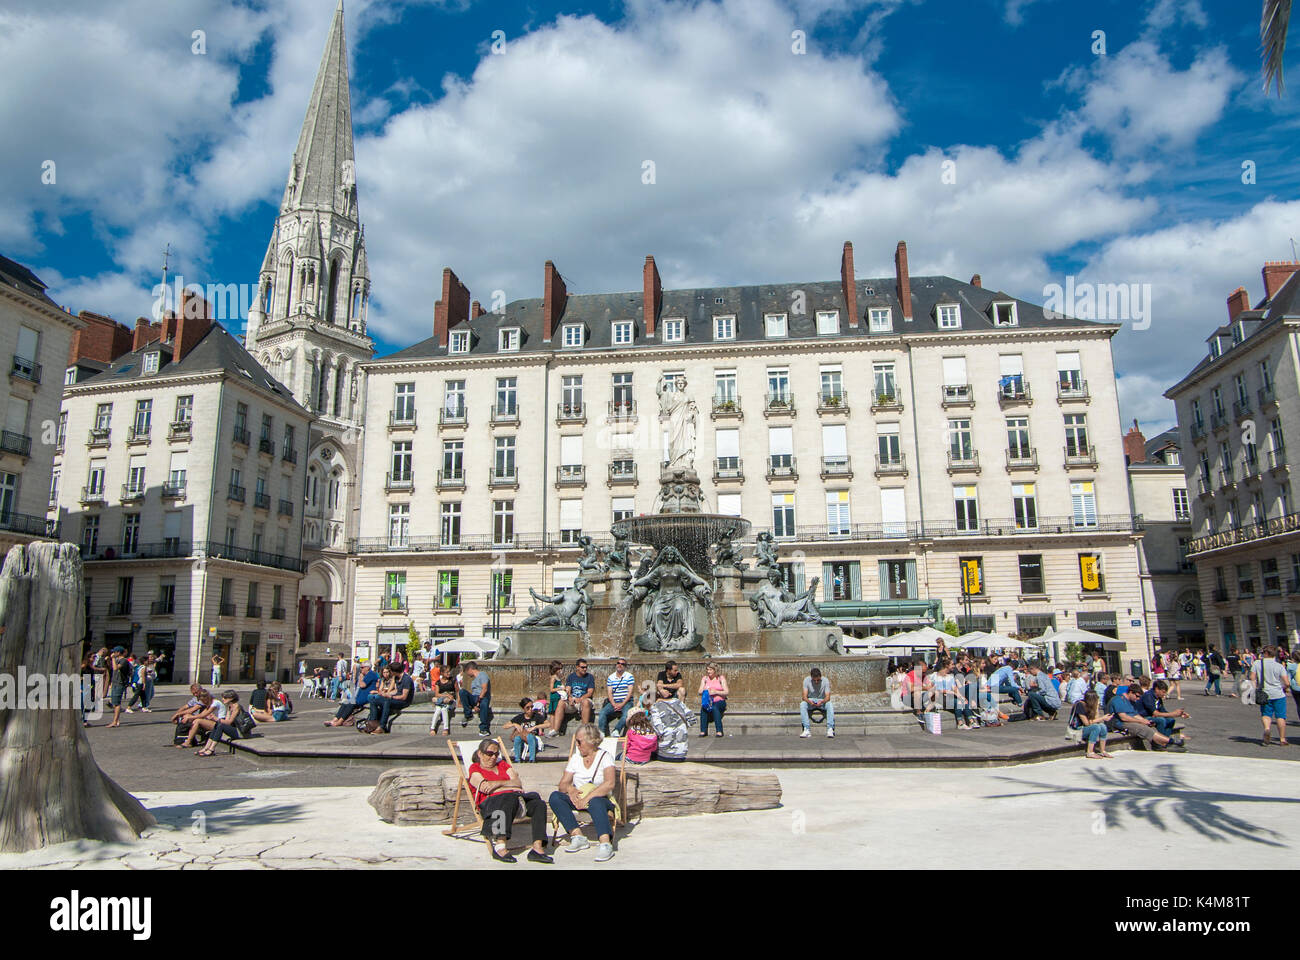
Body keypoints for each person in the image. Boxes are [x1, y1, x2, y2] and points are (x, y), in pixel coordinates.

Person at [467, 738, 552, 863]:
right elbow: (486, 788)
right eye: (490, 754)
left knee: (538, 804)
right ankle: (500, 846)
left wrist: (498, 784)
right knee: (508, 797)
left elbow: (518, 783)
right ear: (480, 753)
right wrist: (510, 786)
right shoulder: (475, 768)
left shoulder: (502, 764)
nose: (493, 757)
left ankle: (537, 848)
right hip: (491, 805)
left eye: (496, 754)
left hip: (515, 801)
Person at [549, 722, 618, 862]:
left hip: (600, 799)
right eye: (576, 742)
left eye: (579, 742)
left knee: (596, 801)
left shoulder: (605, 757)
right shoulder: (576, 758)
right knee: (555, 797)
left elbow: (609, 783)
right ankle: (577, 836)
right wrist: (571, 790)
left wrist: (587, 798)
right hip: (578, 798)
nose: (577, 745)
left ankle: (605, 843)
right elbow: (562, 784)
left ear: (591, 741)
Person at [1106, 685, 1186, 751]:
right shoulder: (1118, 700)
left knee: (1150, 727)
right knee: (1142, 728)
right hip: (1117, 724)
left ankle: (1160, 745)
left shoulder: (1129, 701)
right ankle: (1171, 742)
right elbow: (1123, 717)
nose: (1137, 699)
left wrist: (1145, 721)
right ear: (1130, 692)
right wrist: (1140, 722)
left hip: (1126, 722)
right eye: (1137, 696)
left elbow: (1134, 715)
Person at [196, 690, 256, 756]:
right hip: (235, 730)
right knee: (218, 724)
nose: (223, 699)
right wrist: (215, 719)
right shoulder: (229, 707)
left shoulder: (236, 706)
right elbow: (227, 721)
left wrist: (216, 719)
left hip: (241, 732)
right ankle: (206, 747)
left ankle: (211, 749)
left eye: (225, 698)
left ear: (231, 698)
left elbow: (229, 721)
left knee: (220, 725)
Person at [1253, 646, 1290, 746]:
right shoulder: (1279, 666)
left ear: (1266, 654)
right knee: (1280, 716)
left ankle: (1267, 729)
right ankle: (1282, 739)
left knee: (1266, 714)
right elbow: (1287, 683)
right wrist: (1283, 687)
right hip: (1278, 694)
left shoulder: (1257, 663)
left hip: (1264, 694)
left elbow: (1252, 677)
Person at [548, 659, 596, 737]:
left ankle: (584, 732)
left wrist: (580, 699)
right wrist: (570, 698)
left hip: (584, 700)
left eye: (586, 667)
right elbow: (568, 689)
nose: (585, 669)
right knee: (561, 702)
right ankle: (556, 730)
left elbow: (590, 692)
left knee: (586, 702)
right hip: (573, 701)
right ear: (577, 667)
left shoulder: (589, 677)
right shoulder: (571, 676)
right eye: (582, 667)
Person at [325, 659, 378, 726]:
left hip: (366, 697)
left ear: (367, 668)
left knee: (351, 704)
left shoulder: (371, 674)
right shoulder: (367, 674)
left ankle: (340, 721)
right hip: (360, 696)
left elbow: (362, 685)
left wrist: (361, 677)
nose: (361, 669)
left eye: (362, 667)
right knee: (345, 703)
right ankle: (335, 719)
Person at [366, 660, 415, 733]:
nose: (390, 673)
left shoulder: (406, 679)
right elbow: (396, 691)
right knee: (373, 700)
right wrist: (387, 694)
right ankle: (372, 724)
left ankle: (382, 727)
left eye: (390, 671)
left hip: (404, 702)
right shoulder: (396, 678)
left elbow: (404, 697)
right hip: (396, 698)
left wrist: (390, 697)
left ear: (394, 671)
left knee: (387, 701)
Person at [598, 658, 636, 736]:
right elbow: (609, 693)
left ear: (625, 667)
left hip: (626, 702)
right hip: (614, 702)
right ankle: (601, 732)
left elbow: (630, 692)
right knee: (602, 712)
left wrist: (622, 704)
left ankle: (616, 730)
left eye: (622, 664)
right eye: (618, 663)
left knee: (626, 715)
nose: (620, 665)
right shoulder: (611, 677)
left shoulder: (629, 676)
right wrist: (614, 704)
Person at [1070, 691, 1114, 759]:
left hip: (1084, 729)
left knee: (1103, 726)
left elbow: (1095, 719)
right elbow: (1086, 723)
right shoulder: (1080, 705)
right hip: (1076, 730)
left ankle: (1102, 750)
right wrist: (1102, 718)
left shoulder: (1090, 706)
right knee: (1096, 727)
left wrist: (1096, 707)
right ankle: (1089, 752)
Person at [505, 698, 548, 762]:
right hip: (523, 739)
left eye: (532, 707)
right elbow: (505, 726)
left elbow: (548, 724)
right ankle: (517, 759)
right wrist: (514, 724)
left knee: (530, 736)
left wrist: (535, 727)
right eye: (528, 708)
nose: (530, 709)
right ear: (523, 709)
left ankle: (532, 759)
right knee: (517, 738)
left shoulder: (536, 716)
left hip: (533, 739)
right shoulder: (520, 717)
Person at [799, 666, 835, 738]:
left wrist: (822, 702)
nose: (816, 682)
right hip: (811, 700)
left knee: (829, 704)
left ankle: (830, 729)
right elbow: (804, 697)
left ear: (820, 677)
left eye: (818, 680)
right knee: (803, 704)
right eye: (814, 680)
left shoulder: (825, 681)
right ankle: (806, 729)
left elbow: (828, 697)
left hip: (821, 700)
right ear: (811, 677)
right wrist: (809, 702)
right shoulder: (806, 680)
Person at [459, 660, 492, 736]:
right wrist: (474, 705)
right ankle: (468, 715)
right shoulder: (473, 681)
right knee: (462, 692)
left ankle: (484, 729)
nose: (467, 674)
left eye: (467, 672)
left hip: (483, 697)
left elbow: (484, 689)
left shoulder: (483, 675)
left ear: (470, 669)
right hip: (474, 698)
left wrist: (478, 703)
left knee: (484, 703)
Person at [105, 649, 134, 728]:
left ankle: (115, 721)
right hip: (115, 682)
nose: (113, 653)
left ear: (118, 652)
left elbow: (115, 668)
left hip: (120, 683)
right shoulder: (117, 660)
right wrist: (109, 660)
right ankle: (117, 720)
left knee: (116, 703)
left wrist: (113, 659)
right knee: (114, 702)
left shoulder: (123, 661)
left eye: (114, 652)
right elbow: (111, 667)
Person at [698, 662, 729, 736]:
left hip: (720, 701)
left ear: (715, 670)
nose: (708, 672)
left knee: (715, 707)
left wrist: (716, 692)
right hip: (708, 701)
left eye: (710, 670)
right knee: (703, 708)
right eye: (707, 670)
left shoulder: (721, 678)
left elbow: (726, 692)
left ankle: (719, 730)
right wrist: (706, 691)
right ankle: (703, 730)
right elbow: (699, 691)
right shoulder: (705, 679)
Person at [430, 665, 457, 735]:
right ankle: (432, 728)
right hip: (442, 701)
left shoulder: (453, 680)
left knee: (444, 709)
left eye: (449, 672)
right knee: (438, 709)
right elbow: (437, 694)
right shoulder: (438, 682)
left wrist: (458, 702)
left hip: (451, 701)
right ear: (442, 673)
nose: (449, 673)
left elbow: (457, 691)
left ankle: (446, 729)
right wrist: (446, 695)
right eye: (446, 672)